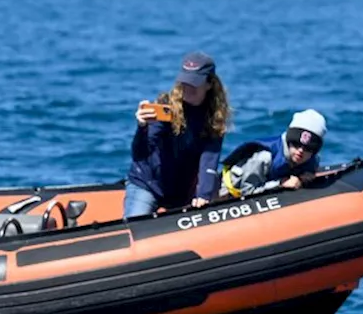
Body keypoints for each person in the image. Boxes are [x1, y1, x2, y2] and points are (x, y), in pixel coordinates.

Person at [124, 51, 233, 219]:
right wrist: (142, 128)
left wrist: (203, 196)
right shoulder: (166, 107)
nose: (188, 88)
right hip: (148, 184)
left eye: (194, 83)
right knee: (135, 226)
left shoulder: (214, 118)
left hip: (182, 191)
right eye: (185, 82)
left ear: (209, 84)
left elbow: (209, 160)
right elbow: (140, 154)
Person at [219, 109, 326, 198]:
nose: (301, 151)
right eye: (296, 144)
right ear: (289, 141)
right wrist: (280, 184)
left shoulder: (312, 160)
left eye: (308, 148)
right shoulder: (264, 157)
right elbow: (246, 191)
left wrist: (304, 178)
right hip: (229, 192)